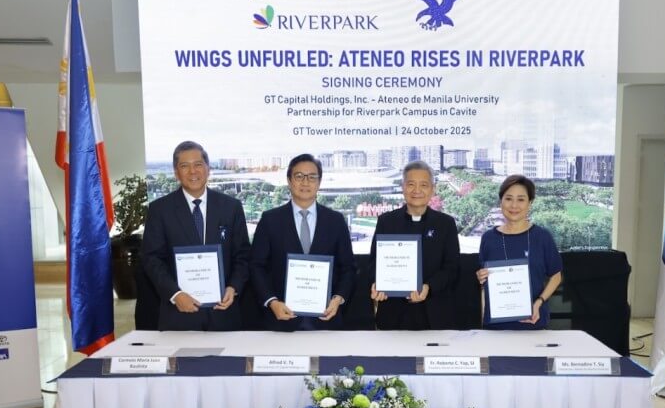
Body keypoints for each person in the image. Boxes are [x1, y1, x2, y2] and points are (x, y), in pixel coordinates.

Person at [142, 140, 250, 331]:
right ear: (176, 173)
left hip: (224, 314)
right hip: (179, 315)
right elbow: (152, 259)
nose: (193, 171)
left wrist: (233, 287)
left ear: (208, 169)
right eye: (185, 166)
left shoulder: (231, 207)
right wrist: (175, 294)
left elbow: (242, 255)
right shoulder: (160, 209)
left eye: (198, 164)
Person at [250, 154, 355, 331]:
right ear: (289, 181)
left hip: (327, 321)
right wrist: (272, 301)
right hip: (280, 321)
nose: (305, 182)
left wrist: (338, 299)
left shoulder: (336, 221)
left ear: (319, 182)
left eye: (312, 177)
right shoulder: (270, 220)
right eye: (299, 176)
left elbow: (348, 268)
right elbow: (256, 266)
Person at [369, 161, 460, 330]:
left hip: (435, 315)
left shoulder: (445, 224)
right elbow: (374, 262)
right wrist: (377, 283)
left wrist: (429, 287)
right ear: (403, 187)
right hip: (393, 314)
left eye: (424, 185)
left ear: (433, 189)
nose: (417, 190)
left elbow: (452, 268)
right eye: (411, 184)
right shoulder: (387, 221)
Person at [476, 174, 562, 329]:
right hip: (495, 327)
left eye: (521, 199)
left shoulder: (542, 237)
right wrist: (481, 278)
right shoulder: (488, 238)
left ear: (530, 203)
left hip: (533, 322)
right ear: (501, 201)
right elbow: (484, 280)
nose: (514, 205)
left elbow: (556, 276)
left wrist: (539, 302)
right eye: (508, 198)